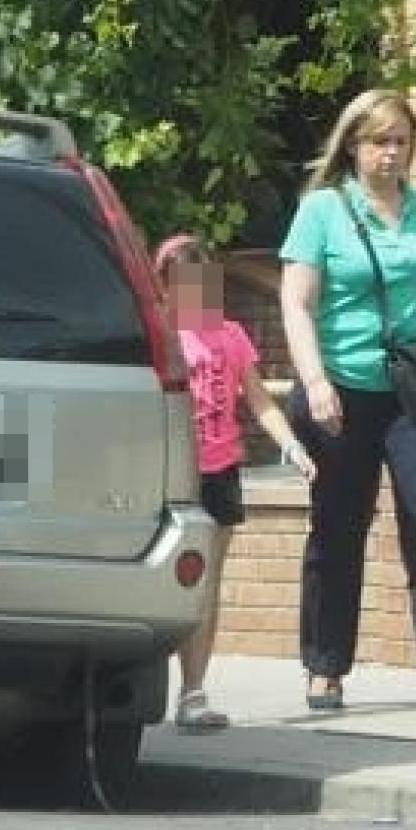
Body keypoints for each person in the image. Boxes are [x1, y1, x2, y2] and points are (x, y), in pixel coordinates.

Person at [279, 88, 416, 716]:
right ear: (353, 145)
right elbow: (296, 302)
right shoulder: (323, 210)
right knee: (339, 529)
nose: (391, 153)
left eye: (401, 141)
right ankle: (325, 666)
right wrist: (315, 382)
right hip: (343, 391)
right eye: (379, 141)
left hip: (413, 393)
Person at [155, 234, 316, 733]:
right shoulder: (159, 337)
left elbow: (259, 400)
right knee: (166, 585)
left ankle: (195, 691)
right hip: (170, 471)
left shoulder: (229, 336)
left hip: (219, 469)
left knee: (205, 585)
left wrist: (293, 447)